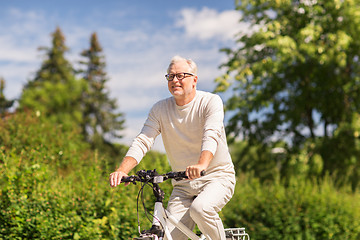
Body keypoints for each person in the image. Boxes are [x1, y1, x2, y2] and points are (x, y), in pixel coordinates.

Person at [109, 55, 236, 240]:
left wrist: (202, 165)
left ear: (194, 80)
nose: (175, 80)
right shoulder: (160, 109)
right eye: (170, 76)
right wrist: (122, 170)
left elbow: (211, 134)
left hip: (216, 177)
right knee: (171, 236)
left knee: (200, 209)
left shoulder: (210, 102)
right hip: (183, 185)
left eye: (180, 75)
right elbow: (143, 140)